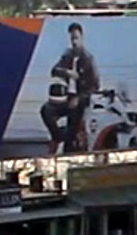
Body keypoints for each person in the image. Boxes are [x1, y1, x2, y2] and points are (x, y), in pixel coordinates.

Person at [42, 23, 100, 154]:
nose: (74, 42)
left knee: (72, 129)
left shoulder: (88, 59)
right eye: (72, 39)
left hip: (79, 101)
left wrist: (79, 98)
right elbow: (54, 70)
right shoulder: (67, 55)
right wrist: (67, 73)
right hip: (64, 98)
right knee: (46, 110)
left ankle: (68, 146)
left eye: (76, 38)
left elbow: (95, 86)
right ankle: (59, 138)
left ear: (82, 38)